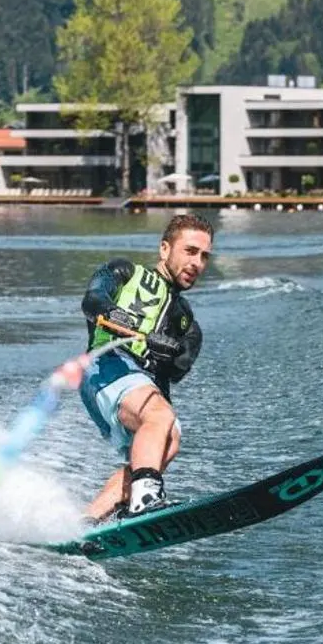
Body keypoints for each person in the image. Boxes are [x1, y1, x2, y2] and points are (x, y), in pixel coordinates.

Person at [78, 213, 213, 522]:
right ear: (165, 249)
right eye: (190, 251)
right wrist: (129, 325)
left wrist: (170, 353)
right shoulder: (125, 272)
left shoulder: (187, 323)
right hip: (107, 365)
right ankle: (146, 497)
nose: (197, 263)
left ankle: (88, 522)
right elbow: (93, 301)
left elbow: (173, 373)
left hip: (139, 385)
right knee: (160, 417)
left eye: (204, 256)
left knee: (169, 437)